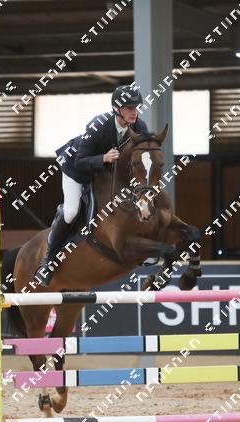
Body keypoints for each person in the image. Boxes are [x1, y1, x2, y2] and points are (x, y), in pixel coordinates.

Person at [33, 84, 149, 286]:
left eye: (136, 107)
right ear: (117, 109)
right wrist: (103, 158)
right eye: (130, 108)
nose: (134, 112)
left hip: (105, 173)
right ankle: (47, 261)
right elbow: (80, 161)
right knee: (71, 211)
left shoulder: (139, 126)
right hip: (76, 168)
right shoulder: (99, 125)